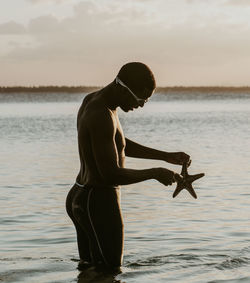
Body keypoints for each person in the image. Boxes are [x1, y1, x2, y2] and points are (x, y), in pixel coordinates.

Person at [66, 62, 190, 270]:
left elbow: (117, 143)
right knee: (111, 271)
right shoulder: (102, 114)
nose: (141, 105)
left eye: (146, 100)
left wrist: (165, 156)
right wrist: (155, 173)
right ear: (123, 88)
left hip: (80, 195)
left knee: (89, 270)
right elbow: (109, 174)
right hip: (99, 200)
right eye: (140, 98)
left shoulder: (94, 102)